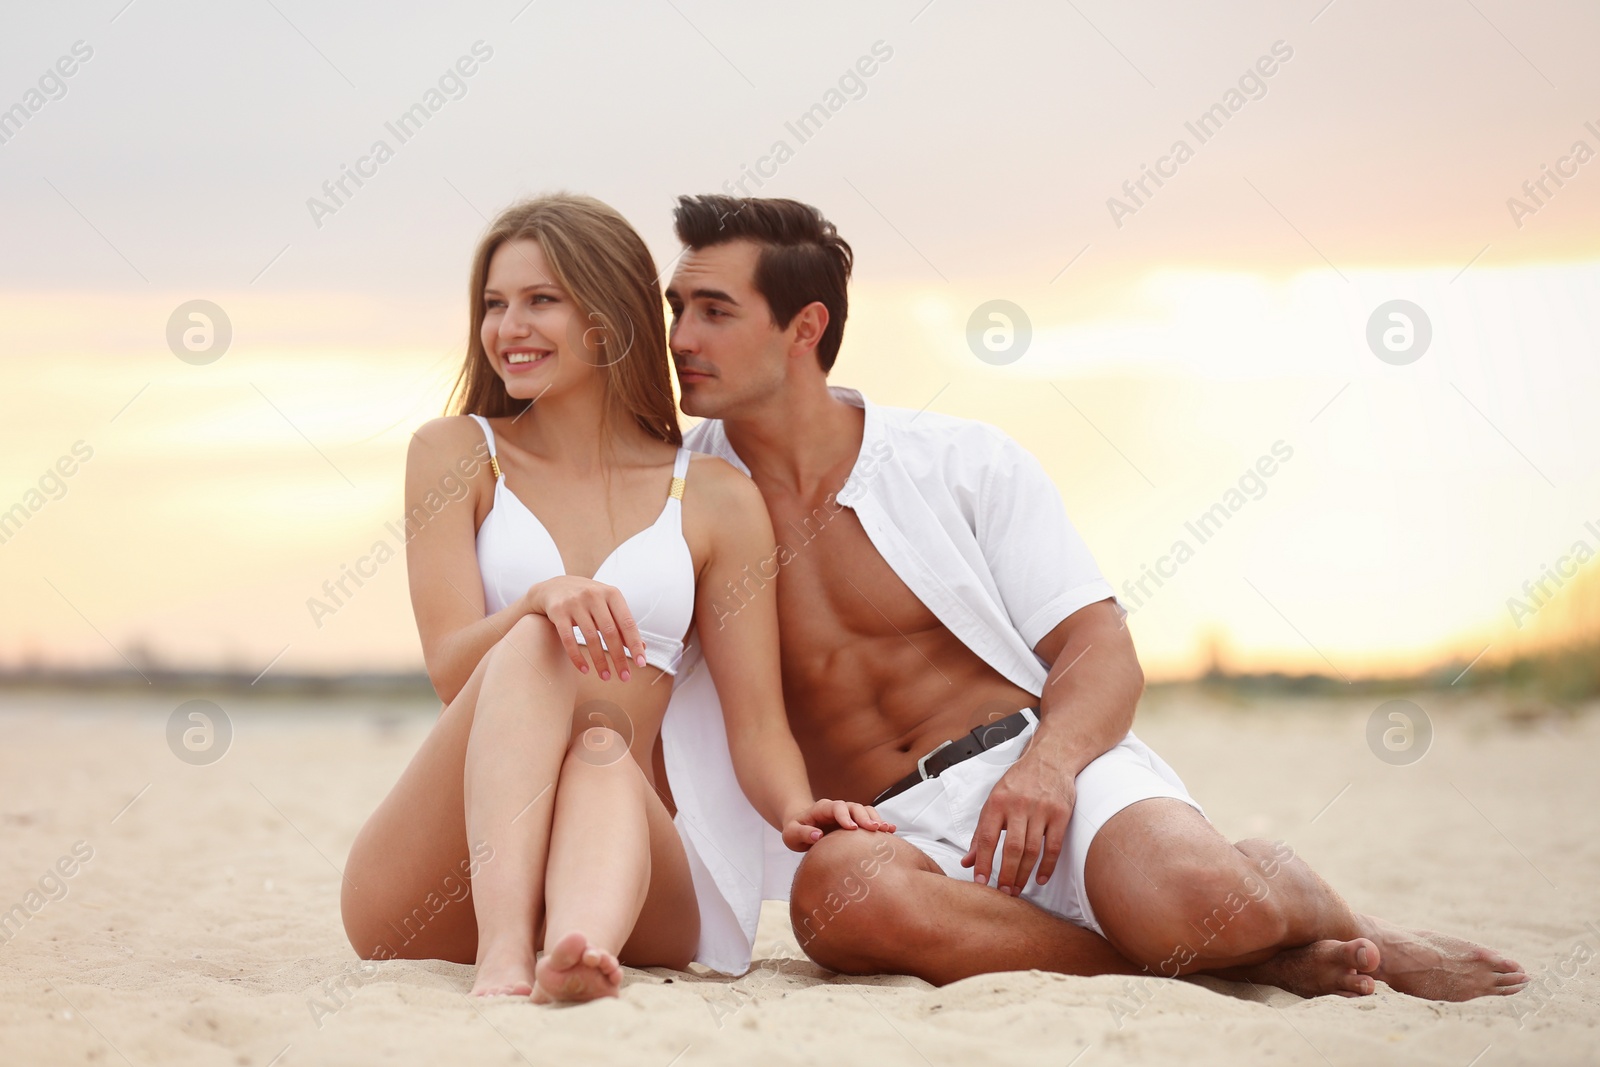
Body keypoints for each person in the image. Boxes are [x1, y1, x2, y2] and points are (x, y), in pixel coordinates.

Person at [657, 193, 1530, 1002]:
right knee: (835, 904)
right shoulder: (679, 507)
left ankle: (1323, 915)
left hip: (1048, 770)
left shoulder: (960, 461)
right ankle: (1245, 966)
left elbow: (1099, 645)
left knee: (1198, 896)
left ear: (804, 326)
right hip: (887, 832)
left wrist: (1047, 769)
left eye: (713, 310)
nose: (681, 335)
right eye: (676, 308)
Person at [339, 194, 890, 1003]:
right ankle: (503, 957)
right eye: (494, 304)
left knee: (603, 747)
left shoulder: (713, 496)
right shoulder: (456, 453)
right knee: (533, 641)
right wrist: (539, 597)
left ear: (606, 314)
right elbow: (454, 669)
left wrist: (801, 810)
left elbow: (759, 723)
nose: (507, 327)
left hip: (626, 870)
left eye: (540, 301)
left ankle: (579, 951)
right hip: (442, 882)